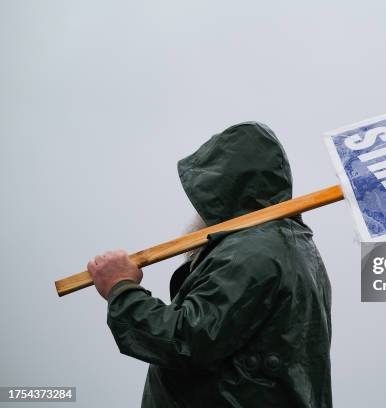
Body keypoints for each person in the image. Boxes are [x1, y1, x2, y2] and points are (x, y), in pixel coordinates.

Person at [87, 122, 333, 407]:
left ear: (224, 192)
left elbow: (187, 340)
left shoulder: (255, 251)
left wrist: (121, 289)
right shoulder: (295, 248)